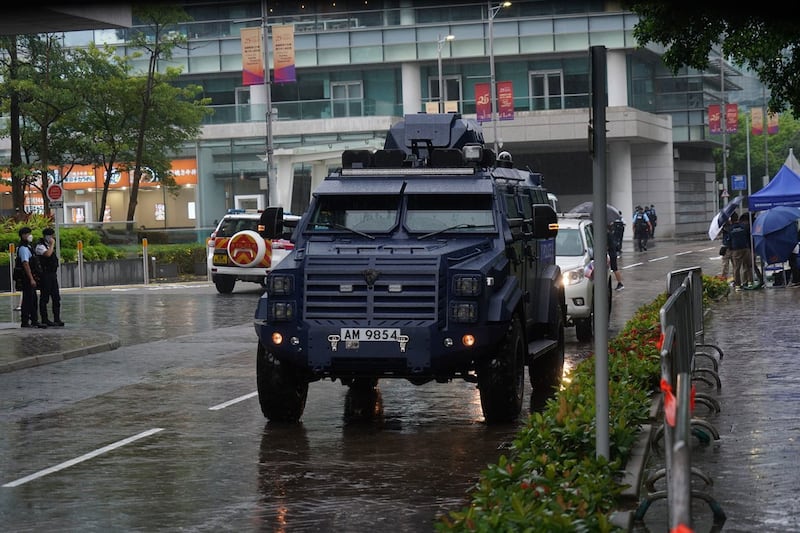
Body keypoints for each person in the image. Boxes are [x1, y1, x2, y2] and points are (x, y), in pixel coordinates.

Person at [15, 227, 45, 328]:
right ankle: (25, 321)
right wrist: (31, 278)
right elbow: (25, 264)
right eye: (28, 234)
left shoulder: (28, 246)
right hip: (26, 278)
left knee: (33, 299)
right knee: (28, 300)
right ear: (23, 235)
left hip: (30, 276)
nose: (29, 236)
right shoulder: (23, 248)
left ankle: (34, 320)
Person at [35, 227, 64, 327]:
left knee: (56, 297)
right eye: (50, 236)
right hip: (45, 274)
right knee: (45, 298)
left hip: (52, 274)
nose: (52, 237)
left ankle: (57, 318)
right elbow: (47, 254)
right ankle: (45, 319)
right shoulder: (40, 246)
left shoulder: (48, 245)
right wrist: (52, 245)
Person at [728, 212, 752, 291]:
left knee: (736, 268)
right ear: (737, 218)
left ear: (731, 220)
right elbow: (748, 235)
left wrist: (730, 249)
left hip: (736, 250)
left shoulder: (730, 228)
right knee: (748, 266)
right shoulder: (744, 226)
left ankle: (738, 286)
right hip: (745, 248)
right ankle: (750, 283)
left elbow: (729, 240)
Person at [607, 222, 624, 290]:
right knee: (614, 269)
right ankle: (619, 283)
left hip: (611, 254)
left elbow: (608, 246)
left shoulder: (608, 235)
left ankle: (620, 283)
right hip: (612, 254)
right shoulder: (610, 234)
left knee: (614, 269)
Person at [720, 217, 734, 282]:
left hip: (732, 248)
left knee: (732, 265)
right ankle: (724, 278)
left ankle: (734, 278)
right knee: (725, 265)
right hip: (726, 248)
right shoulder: (724, 228)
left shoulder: (732, 228)